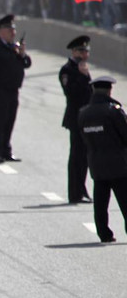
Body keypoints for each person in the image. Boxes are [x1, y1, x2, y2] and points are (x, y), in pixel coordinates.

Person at [76, 76, 127, 243]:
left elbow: (83, 137)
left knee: (100, 202)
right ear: (109, 90)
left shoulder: (84, 112)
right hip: (118, 163)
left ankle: (104, 233)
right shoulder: (113, 111)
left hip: (96, 162)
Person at [0, 14, 31, 163]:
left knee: (10, 121)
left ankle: (6, 151)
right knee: (0, 121)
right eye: (9, 30)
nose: (13, 33)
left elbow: (27, 64)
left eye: (14, 30)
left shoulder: (14, 48)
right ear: (1, 31)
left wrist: (22, 54)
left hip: (13, 90)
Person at [59, 35, 94, 204]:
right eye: (81, 51)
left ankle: (81, 189)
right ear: (73, 52)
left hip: (86, 118)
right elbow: (71, 93)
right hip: (75, 117)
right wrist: (81, 76)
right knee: (76, 155)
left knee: (85, 156)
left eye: (86, 51)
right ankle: (74, 192)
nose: (84, 54)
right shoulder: (67, 70)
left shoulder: (84, 69)